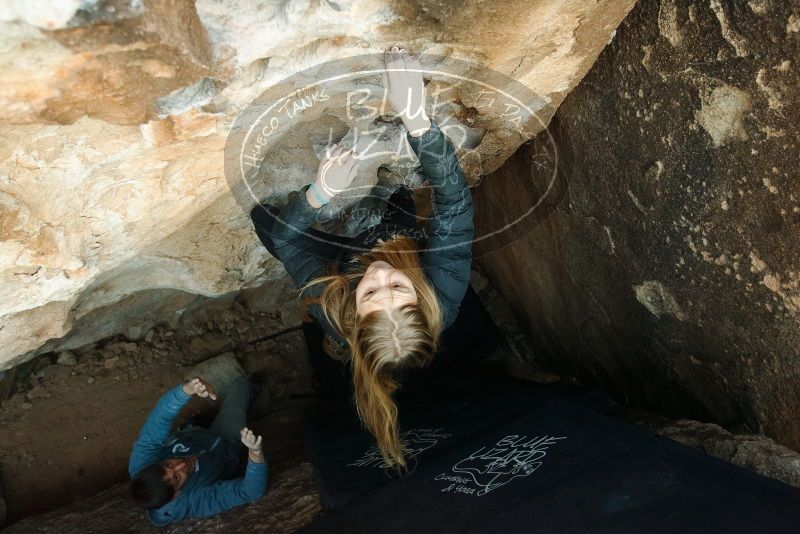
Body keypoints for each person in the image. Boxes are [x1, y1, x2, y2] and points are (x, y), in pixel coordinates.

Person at [250, 47, 474, 469]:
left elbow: (289, 242)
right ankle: (390, 191)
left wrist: (319, 194)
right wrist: (418, 122)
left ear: (354, 310)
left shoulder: (334, 315)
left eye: (373, 292)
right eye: (399, 287)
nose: (383, 275)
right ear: (421, 295)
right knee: (397, 205)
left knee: (266, 224)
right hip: (397, 235)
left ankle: (349, 226)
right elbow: (454, 206)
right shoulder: (443, 294)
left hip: (340, 264)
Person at [128, 376, 267, 526]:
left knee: (236, 388)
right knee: (240, 385)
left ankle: (194, 424)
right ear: (176, 494)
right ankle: (260, 393)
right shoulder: (194, 502)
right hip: (225, 444)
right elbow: (249, 492)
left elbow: (159, 420)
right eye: (177, 478)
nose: (180, 465)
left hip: (195, 436)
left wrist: (187, 389)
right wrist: (255, 454)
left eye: (168, 464)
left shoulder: (142, 463)